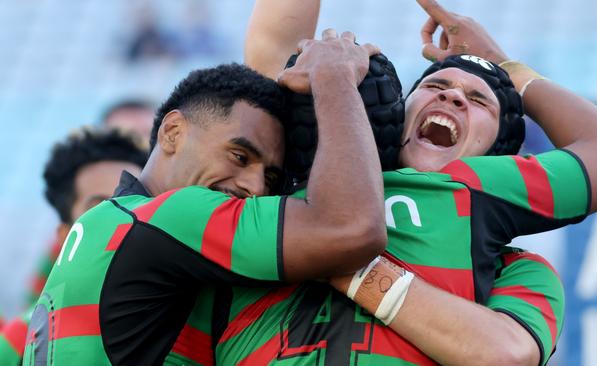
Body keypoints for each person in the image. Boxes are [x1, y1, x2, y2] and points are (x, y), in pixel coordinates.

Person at [211, 1, 597, 365]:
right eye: (436, 85)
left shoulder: (516, 269)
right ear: (399, 113)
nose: (453, 96)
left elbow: (504, 354)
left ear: (498, 156)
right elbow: (277, 52)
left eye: (479, 101)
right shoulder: (311, 168)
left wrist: (344, 254)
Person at [23, 34, 388, 365]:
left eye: (270, 177)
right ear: (173, 131)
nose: (255, 187)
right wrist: (335, 78)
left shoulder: (104, 222)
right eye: (239, 157)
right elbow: (351, 228)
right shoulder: (171, 217)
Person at [0, 127, 147, 366]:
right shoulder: (21, 339)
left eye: (138, 202)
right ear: (66, 235)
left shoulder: (199, 309)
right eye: (100, 208)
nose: (124, 219)